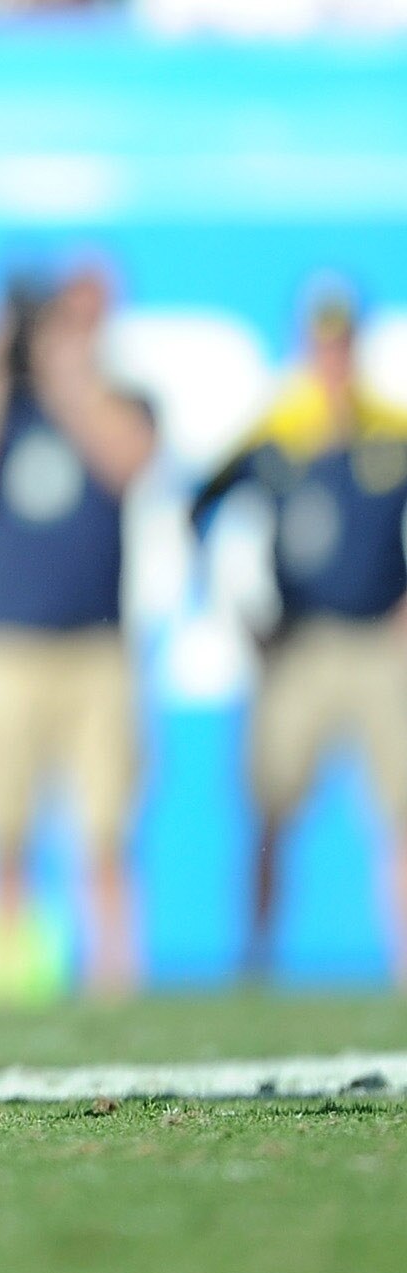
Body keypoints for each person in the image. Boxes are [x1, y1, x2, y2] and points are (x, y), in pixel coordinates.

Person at [0, 266, 159, 998]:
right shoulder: (8, 406)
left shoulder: (120, 398)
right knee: (3, 826)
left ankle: (115, 977)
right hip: (15, 649)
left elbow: (127, 460)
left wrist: (69, 377)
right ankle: (8, 969)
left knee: (105, 829)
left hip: (98, 650)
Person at [193, 283, 407, 985]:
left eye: (342, 342)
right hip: (300, 643)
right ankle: (256, 966)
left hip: (381, 641)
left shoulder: (389, 428)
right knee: (273, 806)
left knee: (400, 812)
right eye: (322, 343)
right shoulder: (277, 432)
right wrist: (235, 613)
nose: (332, 357)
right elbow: (200, 507)